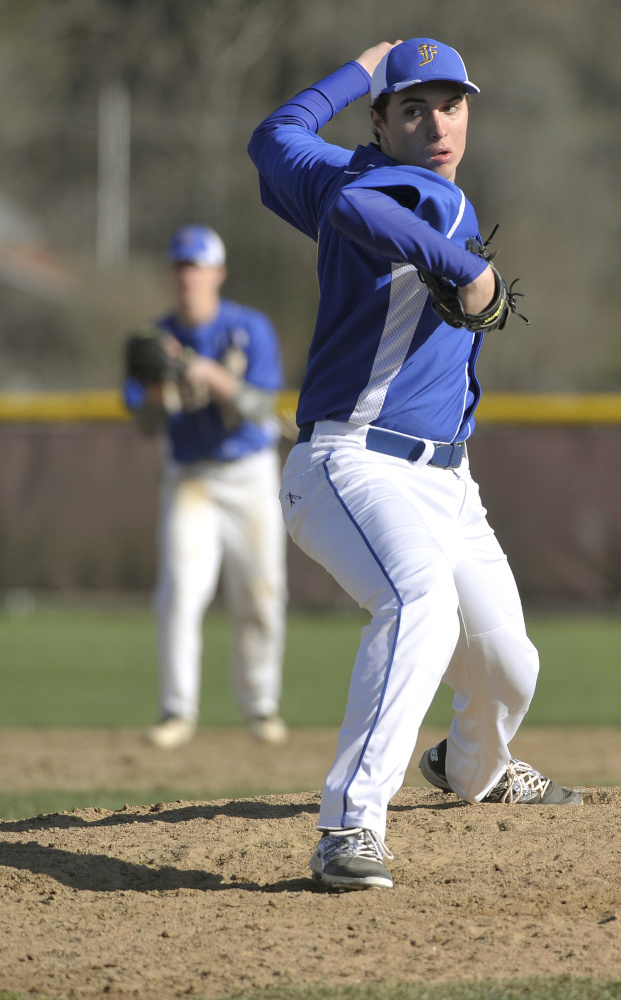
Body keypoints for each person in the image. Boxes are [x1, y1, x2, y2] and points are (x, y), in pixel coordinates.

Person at [248, 37, 581, 890]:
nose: (435, 123)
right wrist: (464, 265)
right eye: (412, 107)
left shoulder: (333, 172)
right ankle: (349, 827)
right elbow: (363, 212)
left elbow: (275, 136)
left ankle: (470, 771)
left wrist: (364, 64)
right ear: (383, 124)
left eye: (450, 104)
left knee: (511, 663)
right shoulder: (389, 189)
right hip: (350, 464)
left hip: (448, 483)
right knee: (416, 603)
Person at [125, 224, 288, 749]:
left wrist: (202, 371)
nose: (187, 275)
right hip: (190, 478)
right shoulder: (154, 339)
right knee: (179, 590)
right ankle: (177, 711)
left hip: (248, 475)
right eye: (179, 265)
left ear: (217, 272)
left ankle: (261, 706)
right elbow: (147, 426)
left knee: (261, 594)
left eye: (196, 265)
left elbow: (262, 410)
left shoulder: (248, 329)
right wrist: (156, 388)